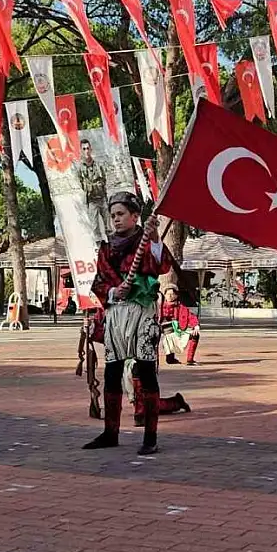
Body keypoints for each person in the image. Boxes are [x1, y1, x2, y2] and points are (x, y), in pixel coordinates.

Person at [83, 192, 173, 454]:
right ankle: (110, 432)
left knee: (145, 372)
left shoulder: (145, 242)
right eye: (113, 215)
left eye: (121, 214)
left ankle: (150, 437)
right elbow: (99, 281)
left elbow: (161, 265)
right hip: (116, 315)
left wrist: (154, 238)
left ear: (135, 217)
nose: (116, 219)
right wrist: (113, 292)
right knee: (112, 373)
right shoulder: (106, 248)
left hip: (141, 313)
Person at [87, 307, 191, 427]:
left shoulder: (146, 300)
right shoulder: (110, 303)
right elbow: (103, 334)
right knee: (135, 394)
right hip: (121, 355)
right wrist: (91, 328)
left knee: (140, 382)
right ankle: (175, 402)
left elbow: (154, 329)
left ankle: (140, 415)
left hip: (141, 351)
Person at [160, 286, 201, 366]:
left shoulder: (181, 307)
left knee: (195, 335)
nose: (170, 296)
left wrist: (196, 325)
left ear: (176, 295)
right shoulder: (160, 307)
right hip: (165, 332)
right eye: (168, 294)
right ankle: (170, 358)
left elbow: (190, 316)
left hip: (179, 331)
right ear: (164, 295)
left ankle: (190, 359)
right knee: (168, 334)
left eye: (172, 294)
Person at [77, 138, 108, 242]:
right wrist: (89, 187)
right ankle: (100, 251)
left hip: (102, 198)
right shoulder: (81, 168)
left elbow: (104, 180)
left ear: (91, 149)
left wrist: (97, 186)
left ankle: (114, 247)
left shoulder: (98, 165)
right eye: (84, 149)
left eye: (88, 148)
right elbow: (81, 183)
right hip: (91, 201)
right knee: (95, 228)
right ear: (81, 151)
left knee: (109, 226)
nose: (86, 151)